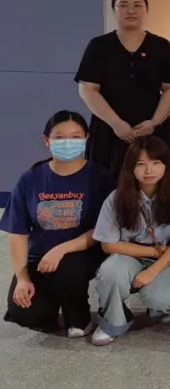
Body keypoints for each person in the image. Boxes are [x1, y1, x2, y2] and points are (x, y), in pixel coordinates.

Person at [3, 111, 114, 336]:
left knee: (66, 268)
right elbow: (17, 232)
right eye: (59, 137)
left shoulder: (100, 178)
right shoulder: (31, 178)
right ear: (47, 140)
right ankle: (51, 303)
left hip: (82, 253)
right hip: (40, 258)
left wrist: (61, 249)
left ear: (87, 139)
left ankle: (79, 317)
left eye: (75, 136)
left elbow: (104, 229)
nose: (68, 143)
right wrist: (23, 278)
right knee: (25, 312)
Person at [91, 136, 170, 345]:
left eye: (156, 163)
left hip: (167, 259)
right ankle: (113, 321)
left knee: (161, 299)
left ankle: (164, 307)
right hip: (128, 255)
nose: (149, 170)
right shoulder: (116, 198)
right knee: (111, 271)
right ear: (131, 168)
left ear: (166, 165)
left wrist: (152, 271)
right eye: (140, 164)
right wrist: (153, 252)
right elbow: (108, 244)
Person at [75, 0, 170, 179]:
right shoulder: (99, 46)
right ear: (113, 10)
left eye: (137, 5)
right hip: (109, 130)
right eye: (123, 5)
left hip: (151, 129)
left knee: (155, 182)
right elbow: (87, 89)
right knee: (106, 183)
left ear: (146, 10)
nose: (131, 10)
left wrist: (154, 122)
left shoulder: (161, 46)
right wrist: (116, 123)